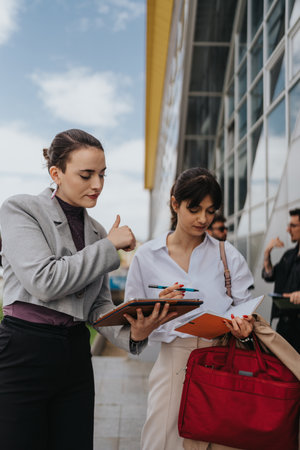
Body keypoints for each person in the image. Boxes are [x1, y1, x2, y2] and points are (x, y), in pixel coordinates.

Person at [0, 129, 176, 450]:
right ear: (56, 173)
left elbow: (98, 307)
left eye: (102, 174)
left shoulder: (96, 231)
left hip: (76, 356)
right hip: (25, 350)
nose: (97, 184)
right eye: (86, 174)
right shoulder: (20, 210)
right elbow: (44, 280)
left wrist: (135, 331)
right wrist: (110, 246)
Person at [125, 167, 256, 450]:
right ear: (175, 203)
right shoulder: (147, 257)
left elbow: (246, 309)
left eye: (210, 211)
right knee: (162, 442)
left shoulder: (227, 254)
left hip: (220, 360)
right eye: (194, 208)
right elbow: (132, 322)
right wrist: (154, 314)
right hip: (174, 362)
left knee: (218, 442)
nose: (203, 219)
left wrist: (244, 329)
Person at [262, 208, 300, 353]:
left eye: (293, 226)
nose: (288, 229)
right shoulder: (289, 255)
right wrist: (267, 253)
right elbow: (269, 275)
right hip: (284, 327)